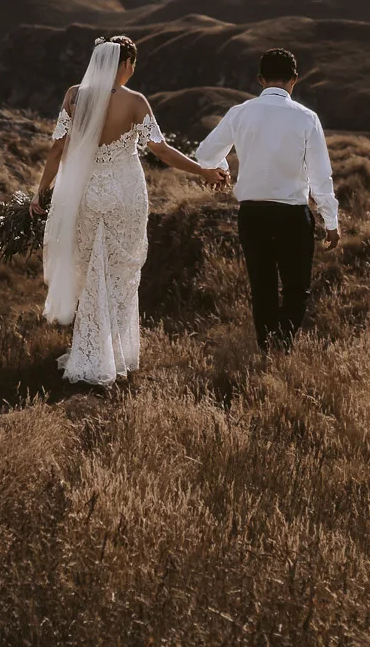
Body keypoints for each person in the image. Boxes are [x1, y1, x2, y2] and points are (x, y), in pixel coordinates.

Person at [31, 36, 227, 386]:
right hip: (125, 195)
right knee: (119, 272)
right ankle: (115, 353)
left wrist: (41, 192)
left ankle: (90, 352)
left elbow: (56, 149)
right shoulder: (135, 102)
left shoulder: (75, 95)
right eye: (132, 64)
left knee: (91, 269)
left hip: (88, 193)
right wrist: (204, 171)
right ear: (123, 64)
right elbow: (163, 152)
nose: (132, 70)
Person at [193, 48, 340, 349]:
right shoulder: (307, 118)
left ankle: (267, 347)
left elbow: (205, 153)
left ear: (260, 79)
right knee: (297, 289)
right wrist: (331, 221)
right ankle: (281, 345)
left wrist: (222, 170)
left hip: (252, 213)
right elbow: (320, 176)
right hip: (292, 214)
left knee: (263, 287)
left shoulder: (239, 113)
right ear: (295, 80)